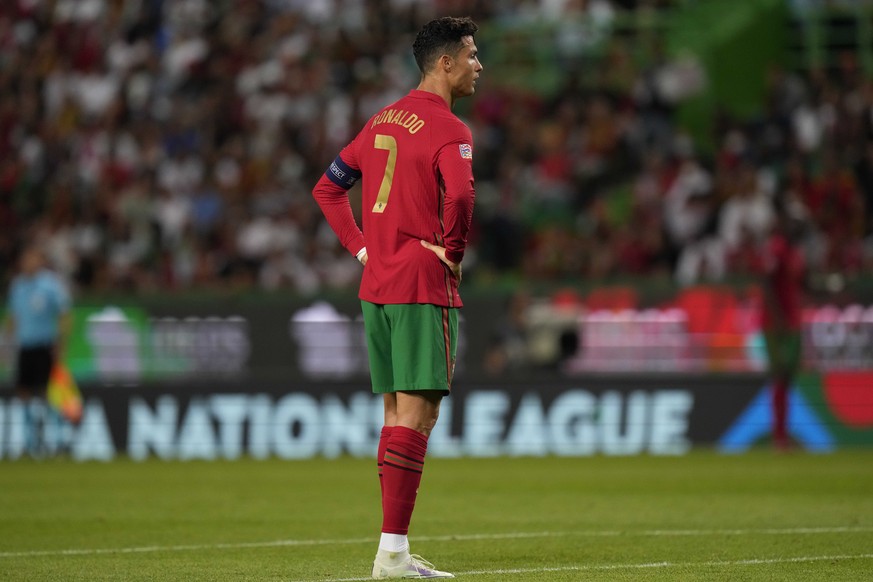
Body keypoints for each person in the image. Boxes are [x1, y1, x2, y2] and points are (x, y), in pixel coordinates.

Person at [312, 16, 482, 579]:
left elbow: (329, 187)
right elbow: (459, 195)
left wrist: (363, 250)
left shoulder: (381, 118)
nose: (479, 65)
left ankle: (395, 550)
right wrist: (453, 252)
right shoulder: (450, 129)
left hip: (377, 285)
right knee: (419, 412)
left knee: (395, 411)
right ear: (445, 63)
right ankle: (391, 554)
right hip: (419, 284)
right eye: (472, 55)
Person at [4, 246, 72, 456]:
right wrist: (6, 345)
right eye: (25, 259)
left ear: (40, 261)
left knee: (46, 394)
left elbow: (64, 314)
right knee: (23, 393)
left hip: (44, 346)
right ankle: (28, 441)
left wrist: (60, 343)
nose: (28, 263)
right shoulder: (17, 286)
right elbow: (12, 319)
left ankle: (54, 440)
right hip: (24, 347)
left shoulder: (50, 285)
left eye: (32, 259)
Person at [760, 195, 806, 451]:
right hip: (776, 322)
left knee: (787, 377)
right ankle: (779, 437)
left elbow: (800, 284)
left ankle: (783, 433)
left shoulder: (795, 252)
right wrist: (777, 317)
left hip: (793, 320)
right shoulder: (776, 248)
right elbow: (766, 283)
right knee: (779, 376)